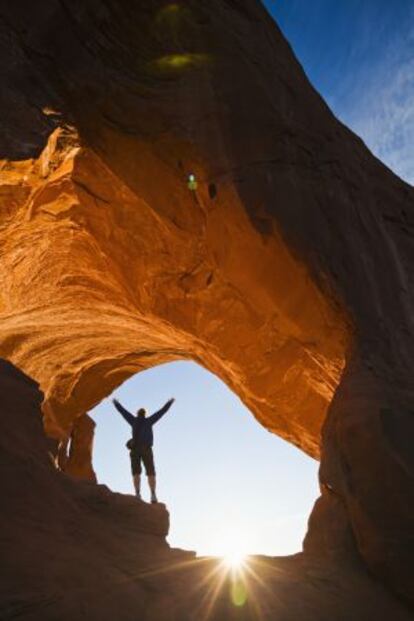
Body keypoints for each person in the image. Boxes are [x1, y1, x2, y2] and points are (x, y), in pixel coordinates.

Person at [112, 397, 175, 503]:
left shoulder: (133, 420)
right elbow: (161, 412)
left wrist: (116, 403)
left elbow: (123, 412)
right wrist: (169, 402)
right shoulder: (149, 421)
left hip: (136, 449)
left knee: (136, 472)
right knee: (150, 472)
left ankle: (137, 494)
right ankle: (153, 495)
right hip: (146, 449)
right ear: (145, 414)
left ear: (138, 413)